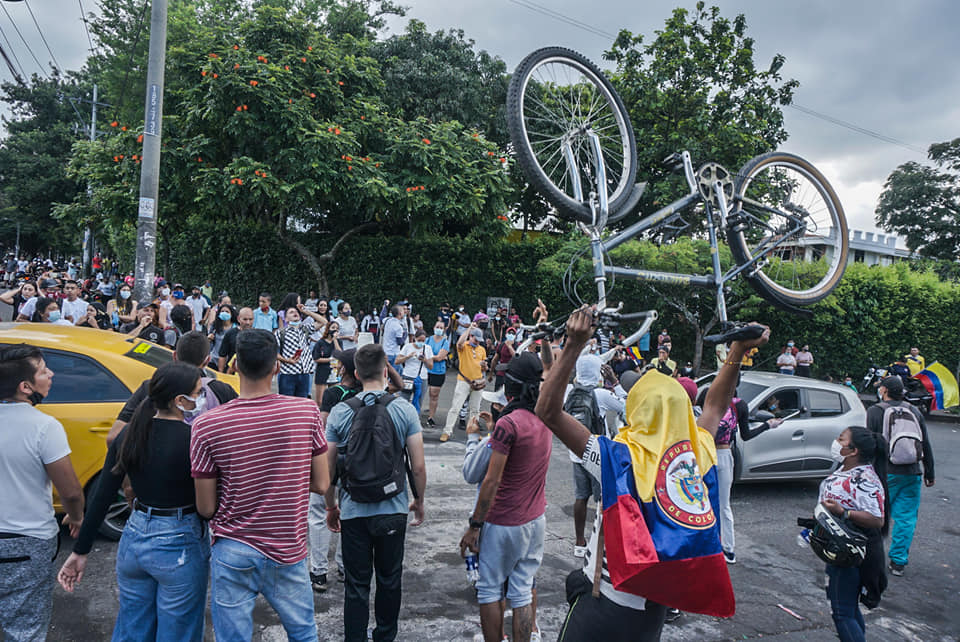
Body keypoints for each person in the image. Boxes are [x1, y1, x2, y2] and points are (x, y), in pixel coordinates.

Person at [535, 307, 769, 640]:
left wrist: (573, 345)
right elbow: (716, 405)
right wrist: (737, 351)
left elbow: (548, 411)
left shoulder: (616, 457)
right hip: (654, 610)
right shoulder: (697, 455)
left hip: (603, 606)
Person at [190, 328, 330, 641]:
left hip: (233, 549)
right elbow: (322, 483)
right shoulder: (305, 412)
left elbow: (206, 507)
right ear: (276, 367)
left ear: (235, 365)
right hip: (287, 547)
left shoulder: (206, 424)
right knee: (304, 633)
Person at [58, 362, 211, 641]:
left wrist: (80, 551)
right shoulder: (194, 440)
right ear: (180, 400)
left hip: (134, 539)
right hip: (180, 544)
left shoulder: (128, 435)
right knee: (178, 632)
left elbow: (102, 495)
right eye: (198, 393)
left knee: (132, 627)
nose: (202, 399)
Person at [324, 343, 427, 642]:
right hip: (393, 509)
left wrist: (331, 507)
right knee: (389, 580)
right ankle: (384, 636)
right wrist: (419, 500)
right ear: (385, 371)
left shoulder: (341, 412)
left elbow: (328, 470)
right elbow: (418, 466)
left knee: (356, 585)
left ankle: (354, 638)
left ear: (356, 373)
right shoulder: (404, 409)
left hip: (354, 510)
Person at [459, 352, 551, 642]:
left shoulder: (507, 425)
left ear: (509, 386)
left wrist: (475, 526)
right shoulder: (546, 418)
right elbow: (551, 369)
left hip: (503, 522)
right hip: (535, 520)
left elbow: (491, 480)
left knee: (489, 589)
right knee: (522, 589)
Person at [0, 345, 84, 642]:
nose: (51, 374)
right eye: (43, 370)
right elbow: (71, 491)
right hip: (28, 543)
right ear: (26, 387)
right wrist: (76, 517)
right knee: (24, 628)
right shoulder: (44, 427)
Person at [817, 426, 888, 642]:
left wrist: (843, 512)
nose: (836, 442)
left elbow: (877, 519)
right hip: (840, 548)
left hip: (850, 554)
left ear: (853, 450)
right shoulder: (846, 471)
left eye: (841, 439)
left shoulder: (865, 479)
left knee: (842, 613)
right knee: (848, 607)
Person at [107, 331, 239, 445]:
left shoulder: (153, 386)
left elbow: (114, 437)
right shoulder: (222, 390)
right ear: (207, 360)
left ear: (174, 356)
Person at [866, 376, 935, 577]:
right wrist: (929, 472)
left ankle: (871, 556)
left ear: (885, 390)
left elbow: (872, 442)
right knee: (906, 518)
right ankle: (898, 562)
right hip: (912, 472)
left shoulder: (876, 410)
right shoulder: (914, 411)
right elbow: (925, 442)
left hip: (885, 472)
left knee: (876, 515)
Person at [713, 393, 784, 563]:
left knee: (706, 503)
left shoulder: (710, 397)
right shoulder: (738, 404)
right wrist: (768, 425)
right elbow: (746, 435)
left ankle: (716, 548)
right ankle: (727, 549)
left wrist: (767, 425)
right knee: (723, 505)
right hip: (722, 454)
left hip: (706, 453)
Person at [566, 354, 625, 559]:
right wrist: (615, 383)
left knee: (580, 497)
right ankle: (603, 540)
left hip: (576, 453)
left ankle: (579, 542)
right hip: (599, 453)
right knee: (604, 499)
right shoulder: (601, 394)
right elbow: (629, 407)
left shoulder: (569, 392)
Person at [442, 325, 488, 443]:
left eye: (479, 340)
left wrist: (485, 367)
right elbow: (459, 342)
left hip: (477, 381)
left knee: (475, 409)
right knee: (455, 407)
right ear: (471, 336)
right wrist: (468, 330)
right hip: (464, 381)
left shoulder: (481, 349)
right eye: (475, 339)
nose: (477, 342)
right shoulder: (464, 346)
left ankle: (474, 433)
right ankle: (447, 431)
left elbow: (484, 368)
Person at [276, 307, 316, 398]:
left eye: (296, 312)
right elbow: (273, 352)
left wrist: (307, 311)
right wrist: (286, 360)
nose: (295, 313)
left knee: (301, 402)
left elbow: (323, 322)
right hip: (288, 373)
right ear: (286, 319)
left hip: (304, 373)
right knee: (287, 403)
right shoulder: (281, 333)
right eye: (291, 312)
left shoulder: (305, 329)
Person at [424, 320, 451, 427]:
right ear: (434, 327)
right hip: (425, 371)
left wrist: (427, 357)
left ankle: (431, 417)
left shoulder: (445, 342)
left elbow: (440, 358)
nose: (439, 329)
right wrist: (435, 357)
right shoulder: (427, 340)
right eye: (437, 326)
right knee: (419, 393)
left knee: (433, 395)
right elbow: (421, 353)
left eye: (441, 327)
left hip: (438, 372)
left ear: (444, 329)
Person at [218, 306, 254, 373]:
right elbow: (222, 355)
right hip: (232, 373)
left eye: (250, 319)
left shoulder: (257, 335)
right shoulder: (230, 334)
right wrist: (221, 374)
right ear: (238, 319)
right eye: (245, 319)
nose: (248, 322)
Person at [312, 320, 341, 402]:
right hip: (322, 371)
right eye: (333, 328)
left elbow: (340, 353)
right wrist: (329, 359)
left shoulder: (338, 342)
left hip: (334, 372)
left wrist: (335, 340)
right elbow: (316, 358)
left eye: (337, 328)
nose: (335, 330)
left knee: (334, 399)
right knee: (320, 400)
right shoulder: (320, 343)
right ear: (328, 329)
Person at [207, 303, 236, 371]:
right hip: (214, 359)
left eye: (227, 312)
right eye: (222, 311)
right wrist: (209, 338)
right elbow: (208, 342)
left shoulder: (235, 328)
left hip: (228, 362)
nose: (224, 313)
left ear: (231, 314)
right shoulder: (215, 326)